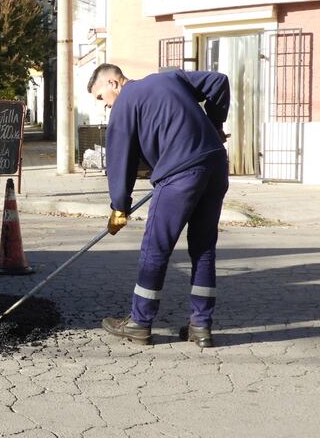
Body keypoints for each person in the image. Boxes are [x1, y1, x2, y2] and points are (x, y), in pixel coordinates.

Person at [88, 63, 230, 348]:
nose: (104, 105)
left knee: (155, 249)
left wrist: (119, 206)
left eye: (101, 97)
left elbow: (120, 161)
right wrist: (215, 126)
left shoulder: (125, 102)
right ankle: (201, 326)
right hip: (215, 165)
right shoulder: (170, 78)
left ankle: (140, 323)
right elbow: (218, 82)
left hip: (179, 174)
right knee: (203, 249)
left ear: (114, 83)